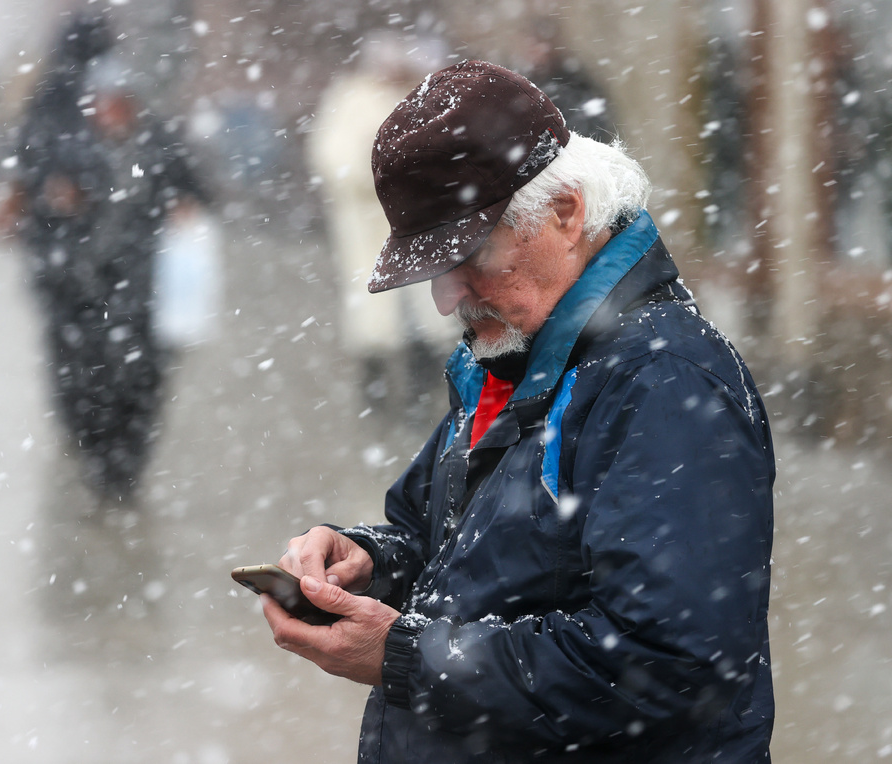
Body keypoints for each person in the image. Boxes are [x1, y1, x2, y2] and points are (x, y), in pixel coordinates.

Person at [256, 61, 775, 762]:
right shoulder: (509, 352)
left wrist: (404, 654)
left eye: (470, 256)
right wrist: (367, 564)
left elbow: (668, 664)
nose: (446, 296)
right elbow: (452, 549)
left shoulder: (664, 381)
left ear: (566, 212)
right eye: (433, 267)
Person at [12, 14, 210, 505]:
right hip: (81, 292)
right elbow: (34, 199)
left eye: (119, 100)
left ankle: (125, 469)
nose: (110, 111)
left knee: (141, 387)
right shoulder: (66, 142)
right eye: (102, 101)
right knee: (86, 383)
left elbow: (196, 190)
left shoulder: (157, 143)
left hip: (143, 296)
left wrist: (185, 205)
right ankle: (100, 463)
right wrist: (52, 206)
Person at [307, 34, 460, 420]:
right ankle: (375, 397)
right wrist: (372, 171)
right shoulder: (352, 100)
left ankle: (418, 396)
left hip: (422, 221)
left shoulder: (431, 98)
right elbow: (331, 155)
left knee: (424, 312)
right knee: (374, 313)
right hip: (368, 224)